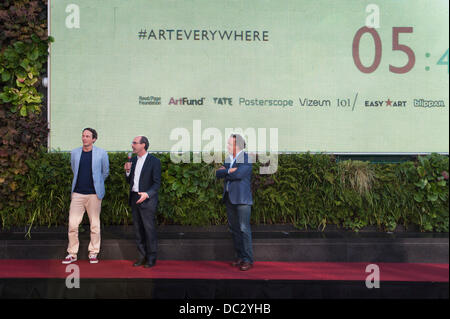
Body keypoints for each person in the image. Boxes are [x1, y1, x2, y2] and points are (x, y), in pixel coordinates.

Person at [62, 128, 109, 264]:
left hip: (94, 194)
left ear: (94, 139)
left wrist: (98, 184)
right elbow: (74, 169)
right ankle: (72, 253)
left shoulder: (101, 153)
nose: (84, 138)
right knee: (72, 224)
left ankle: (93, 253)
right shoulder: (75, 152)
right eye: (83, 136)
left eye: (87, 136)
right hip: (77, 194)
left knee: (95, 225)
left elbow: (105, 172)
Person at [216, 134, 254, 271]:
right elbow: (217, 173)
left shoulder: (246, 158)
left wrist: (226, 172)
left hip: (242, 199)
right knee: (234, 230)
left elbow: (239, 175)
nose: (227, 146)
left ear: (237, 145)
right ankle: (240, 256)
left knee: (244, 229)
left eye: (229, 144)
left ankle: (248, 259)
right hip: (229, 198)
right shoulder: (229, 159)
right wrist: (229, 170)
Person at [124, 136, 161, 268]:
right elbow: (130, 181)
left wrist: (147, 194)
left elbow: (157, 183)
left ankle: (151, 258)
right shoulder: (133, 160)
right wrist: (127, 171)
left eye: (134, 143)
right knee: (138, 230)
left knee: (149, 230)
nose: (132, 145)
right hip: (134, 198)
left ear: (143, 145)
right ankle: (141, 257)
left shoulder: (154, 161)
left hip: (147, 200)